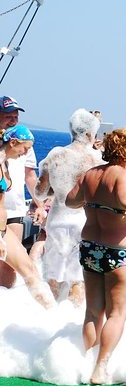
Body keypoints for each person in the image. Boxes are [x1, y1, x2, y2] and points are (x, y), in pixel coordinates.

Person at [66, 128, 126, 384]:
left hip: (91, 247)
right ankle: (99, 369)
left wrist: (93, 200)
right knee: (117, 313)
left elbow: (71, 200)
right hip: (118, 251)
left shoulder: (91, 174)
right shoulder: (123, 174)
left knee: (93, 312)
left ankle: (85, 363)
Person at [35, 109, 104, 305]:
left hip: (57, 220)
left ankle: (49, 318)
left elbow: (40, 192)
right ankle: (69, 323)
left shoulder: (56, 155)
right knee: (77, 278)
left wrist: (54, 192)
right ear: (90, 133)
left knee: (52, 276)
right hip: (83, 221)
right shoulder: (97, 159)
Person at [0, 125, 55, 308]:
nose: (26, 153)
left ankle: (53, 317)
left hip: (3, 227)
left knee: (29, 269)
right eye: (25, 148)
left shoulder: (5, 161)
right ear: (13, 142)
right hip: (0, 229)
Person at [0, 96, 46, 288]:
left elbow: (30, 177)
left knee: (9, 266)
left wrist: (40, 204)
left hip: (15, 211)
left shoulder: (25, 142)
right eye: (8, 116)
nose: (13, 120)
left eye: (15, 117)